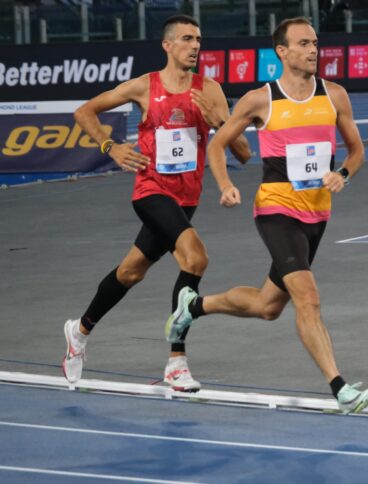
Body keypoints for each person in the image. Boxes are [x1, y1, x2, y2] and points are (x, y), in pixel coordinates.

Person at [165, 17, 368, 414]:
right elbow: (217, 146)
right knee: (307, 298)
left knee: (267, 306)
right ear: (282, 51)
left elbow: (357, 151)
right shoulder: (260, 99)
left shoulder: (335, 95)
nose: (314, 50)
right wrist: (226, 184)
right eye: (303, 44)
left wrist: (342, 173)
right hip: (276, 210)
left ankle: (192, 308)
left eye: (315, 43)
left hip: (317, 214)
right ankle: (340, 388)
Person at [62, 14, 251, 392]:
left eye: (198, 38)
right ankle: (176, 361)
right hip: (150, 190)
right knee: (195, 257)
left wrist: (218, 122)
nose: (195, 45)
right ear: (167, 45)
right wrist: (110, 146)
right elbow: (84, 112)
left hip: (187, 197)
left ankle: (78, 332)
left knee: (131, 272)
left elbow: (245, 154)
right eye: (186, 38)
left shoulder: (210, 90)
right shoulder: (144, 87)